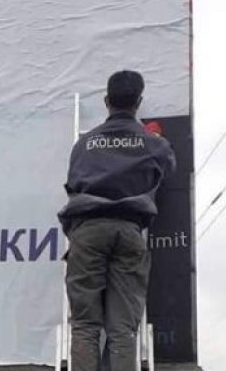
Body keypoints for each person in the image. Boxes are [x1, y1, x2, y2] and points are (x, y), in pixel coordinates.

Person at [58, 70, 176, 371]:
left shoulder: (84, 144)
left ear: (106, 101)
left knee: (85, 325)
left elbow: (73, 183)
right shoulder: (152, 143)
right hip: (129, 230)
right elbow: (169, 168)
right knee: (122, 328)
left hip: (88, 231)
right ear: (139, 102)